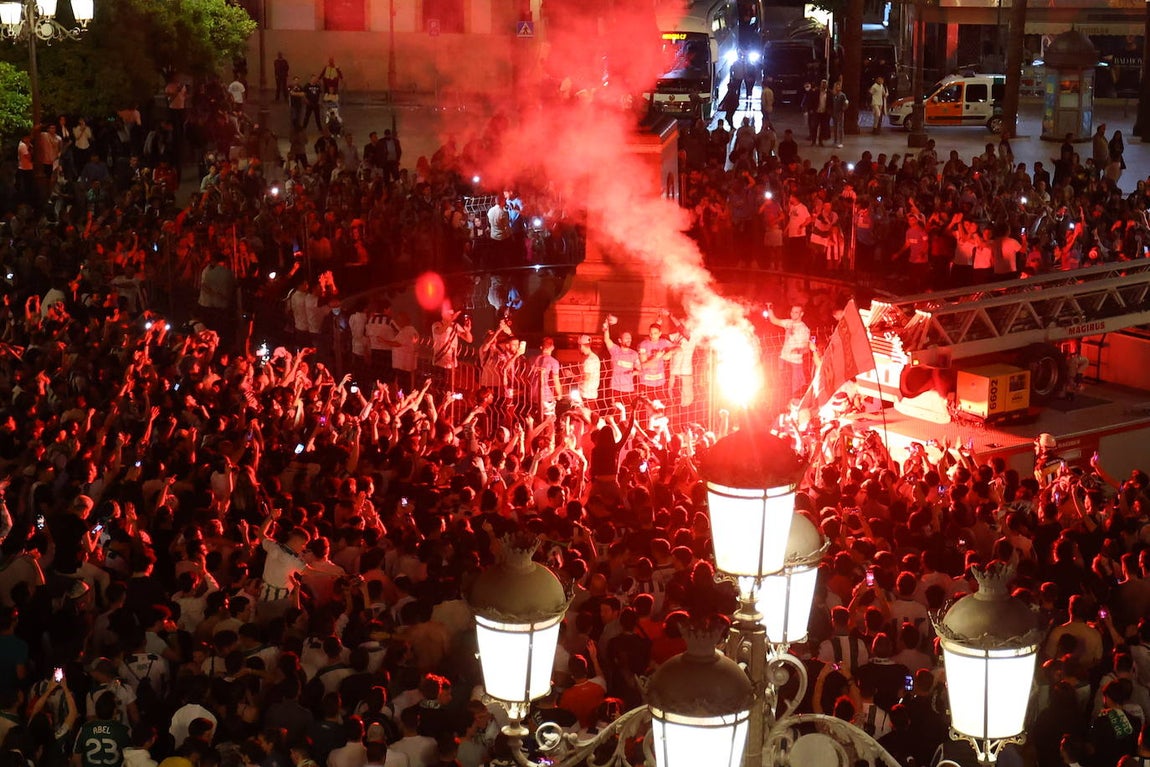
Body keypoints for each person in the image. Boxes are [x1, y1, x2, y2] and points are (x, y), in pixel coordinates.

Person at [766, 303, 811, 399]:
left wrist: (798, 351)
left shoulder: (804, 329)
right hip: (783, 359)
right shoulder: (788, 322)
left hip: (795, 363)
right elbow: (774, 320)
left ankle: (795, 405)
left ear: (801, 314)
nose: (793, 314)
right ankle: (781, 402)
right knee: (781, 386)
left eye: (796, 312)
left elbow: (807, 348)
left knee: (796, 391)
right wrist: (770, 308)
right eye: (792, 311)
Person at [602, 321, 640, 406]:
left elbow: (640, 369)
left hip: (629, 390)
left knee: (628, 411)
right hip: (615, 389)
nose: (629, 340)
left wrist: (634, 372)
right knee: (616, 411)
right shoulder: (615, 350)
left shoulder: (634, 354)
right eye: (626, 338)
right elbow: (607, 340)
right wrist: (606, 328)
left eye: (630, 338)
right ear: (620, 340)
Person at [830, 80, 849, 149]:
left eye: (838, 86)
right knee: (835, 127)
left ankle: (841, 142)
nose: (836, 88)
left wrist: (843, 109)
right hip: (834, 113)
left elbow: (846, 103)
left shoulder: (842, 95)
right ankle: (835, 140)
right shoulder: (833, 95)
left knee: (840, 127)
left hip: (840, 113)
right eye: (835, 86)